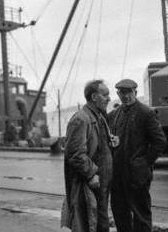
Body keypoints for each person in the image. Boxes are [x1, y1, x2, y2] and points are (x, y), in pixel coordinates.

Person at [108, 79, 167, 232]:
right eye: (122, 93)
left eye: (129, 92)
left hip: (137, 174)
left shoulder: (146, 113)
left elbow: (160, 141)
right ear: (118, 94)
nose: (126, 96)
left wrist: (144, 162)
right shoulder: (115, 114)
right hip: (118, 174)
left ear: (136, 92)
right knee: (120, 214)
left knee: (141, 215)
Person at [62, 79, 113, 232]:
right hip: (90, 184)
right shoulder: (81, 119)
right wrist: (91, 174)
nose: (109, 98)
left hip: (102, 184)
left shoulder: (98, 117)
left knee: (100, 223)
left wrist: (112, 142)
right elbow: (75, 153)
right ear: (94, 97)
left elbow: (98, 146)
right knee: (90, 224)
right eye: (105, 95)